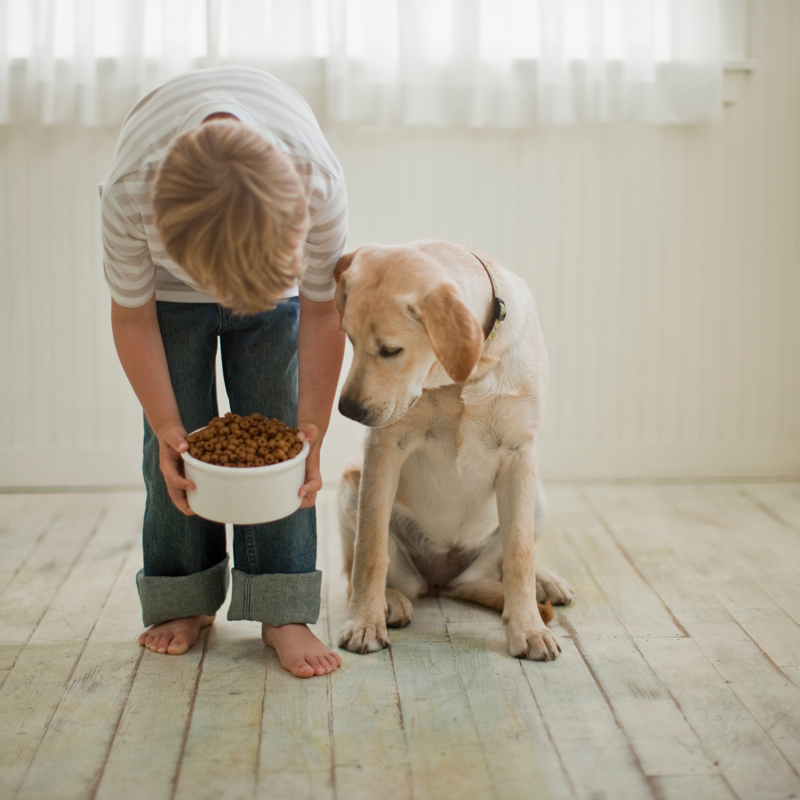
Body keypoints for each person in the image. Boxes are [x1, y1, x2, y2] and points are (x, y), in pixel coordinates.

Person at [100, 66, 346, 679]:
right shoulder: (131, 190)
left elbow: (321, 309)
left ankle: (283, 608)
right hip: (169, 300)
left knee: (284, 442)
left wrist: (312, 428)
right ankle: (182, 600)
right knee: (177, 450)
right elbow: (133, 319)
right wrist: (163, 424)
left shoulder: (315, 181)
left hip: (277, 294)